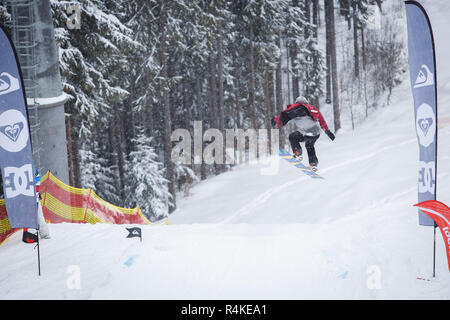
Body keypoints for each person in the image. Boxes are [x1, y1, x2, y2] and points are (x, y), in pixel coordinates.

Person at [271, 96, 335, 171]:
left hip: (306, 132)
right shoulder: (313, 109)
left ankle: (297, 152)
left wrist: (275, 121)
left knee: (293, 137)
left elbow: (285, 114)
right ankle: (313, 164)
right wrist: (328, 132)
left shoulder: (296, 107)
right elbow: (322, 121)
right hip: (315, 132)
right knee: (309, 145)